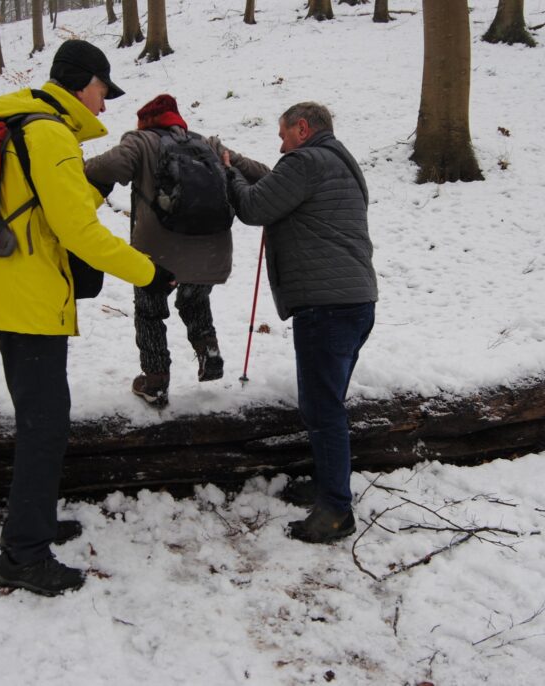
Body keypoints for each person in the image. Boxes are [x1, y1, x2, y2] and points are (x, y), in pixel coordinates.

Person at [0, 39, 174, 596]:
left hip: (9, 291)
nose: (105, 106)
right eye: (104, 92)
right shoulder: (50, 133)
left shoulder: (23, 126)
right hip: (29, 301)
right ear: (83, 83)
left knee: (40, 419)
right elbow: (76, 231)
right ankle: (24, 557)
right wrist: (148, 272)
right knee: (45, 426)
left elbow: (52, 210)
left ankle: (33, 521)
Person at [224, 102, 378, 544]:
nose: (281, 143)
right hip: (356, 301)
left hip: (326, 307)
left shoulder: (306, 161)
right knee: (328, 404)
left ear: (303, 129)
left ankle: (335, 512)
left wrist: (231, 175)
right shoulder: (337, 161)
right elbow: (276, 179)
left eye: (283, 134)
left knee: (322, 410)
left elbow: (254, 206)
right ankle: (330, 486)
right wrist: (238, 161)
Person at [84, 94, 270, 407]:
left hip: (157, 253)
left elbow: (108, 168)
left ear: (145, 122)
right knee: (195, 300)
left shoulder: (141, 142)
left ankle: (155, 382)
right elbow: (261, 173)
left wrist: (75, 164)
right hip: (211, 249)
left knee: (149, 311)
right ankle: (208, 351)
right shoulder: (208, 145)